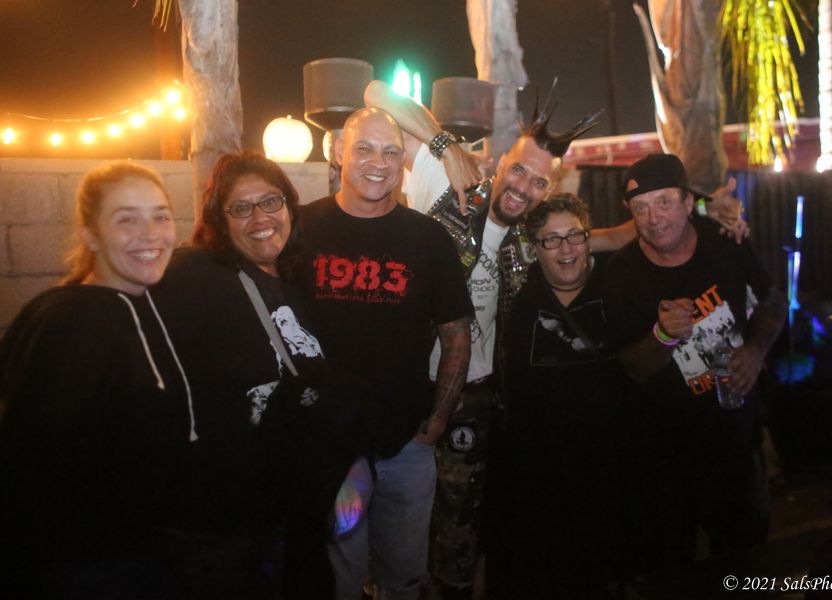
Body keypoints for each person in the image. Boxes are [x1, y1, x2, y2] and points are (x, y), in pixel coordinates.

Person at [364, 79, 749, 596]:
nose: (523, 186)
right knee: (392, 532)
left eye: (539, 181)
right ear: (500, 161)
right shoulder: (447, 180)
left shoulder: (532, 241)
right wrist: (446, 146)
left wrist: (704, 210)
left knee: (463, 535)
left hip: (476, 400)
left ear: (551, 188)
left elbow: (621, 234)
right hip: (409, 389)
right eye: (518, 170)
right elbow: (376, 93)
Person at [296, 107, 473, 600]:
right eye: (365, 148)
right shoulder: (301, 228)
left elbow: (457, 334)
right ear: (339, 152)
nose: (379, 162)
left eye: (391, 151)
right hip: (328, 448)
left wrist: (435, 424)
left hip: (405, 444)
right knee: (339, 581)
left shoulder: (427, 237)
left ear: (402, 162)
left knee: (404, 579)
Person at [152, 152, 345, 599]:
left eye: (271, 202)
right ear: (220, 220)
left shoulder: (298, 277)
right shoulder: (196, 273)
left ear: (289, 207)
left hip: (297, 508)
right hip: (230, 523)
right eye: (241, 208)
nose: (260, 218)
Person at [0, 162, 191, 599]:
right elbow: (35, 471)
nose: (151, 234)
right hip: (90, 567)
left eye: (161, 216)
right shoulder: (75, 325)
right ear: (90, 235)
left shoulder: (132, 304)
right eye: (127, 219)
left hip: (139, 556)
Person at [602, 153, 788, 571]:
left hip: (735, 448)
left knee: (746, 566)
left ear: (689, 202)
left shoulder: (725, 241)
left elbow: (773, 300)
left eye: (664, 202)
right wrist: (664, 335)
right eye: (640, 207)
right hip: (662, 459)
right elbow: (632, 367)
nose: (654, 218)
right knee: (667, 575)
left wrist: (756, 350)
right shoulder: (623, 271)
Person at [487, 193, 633, 598]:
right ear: (535, 248)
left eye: (574, 236)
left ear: (588, 239)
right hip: (536, 479)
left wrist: (713, 213)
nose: (566, 248)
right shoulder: (516, 300)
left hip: (606, 474)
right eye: (552, 239)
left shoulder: (618, 287)